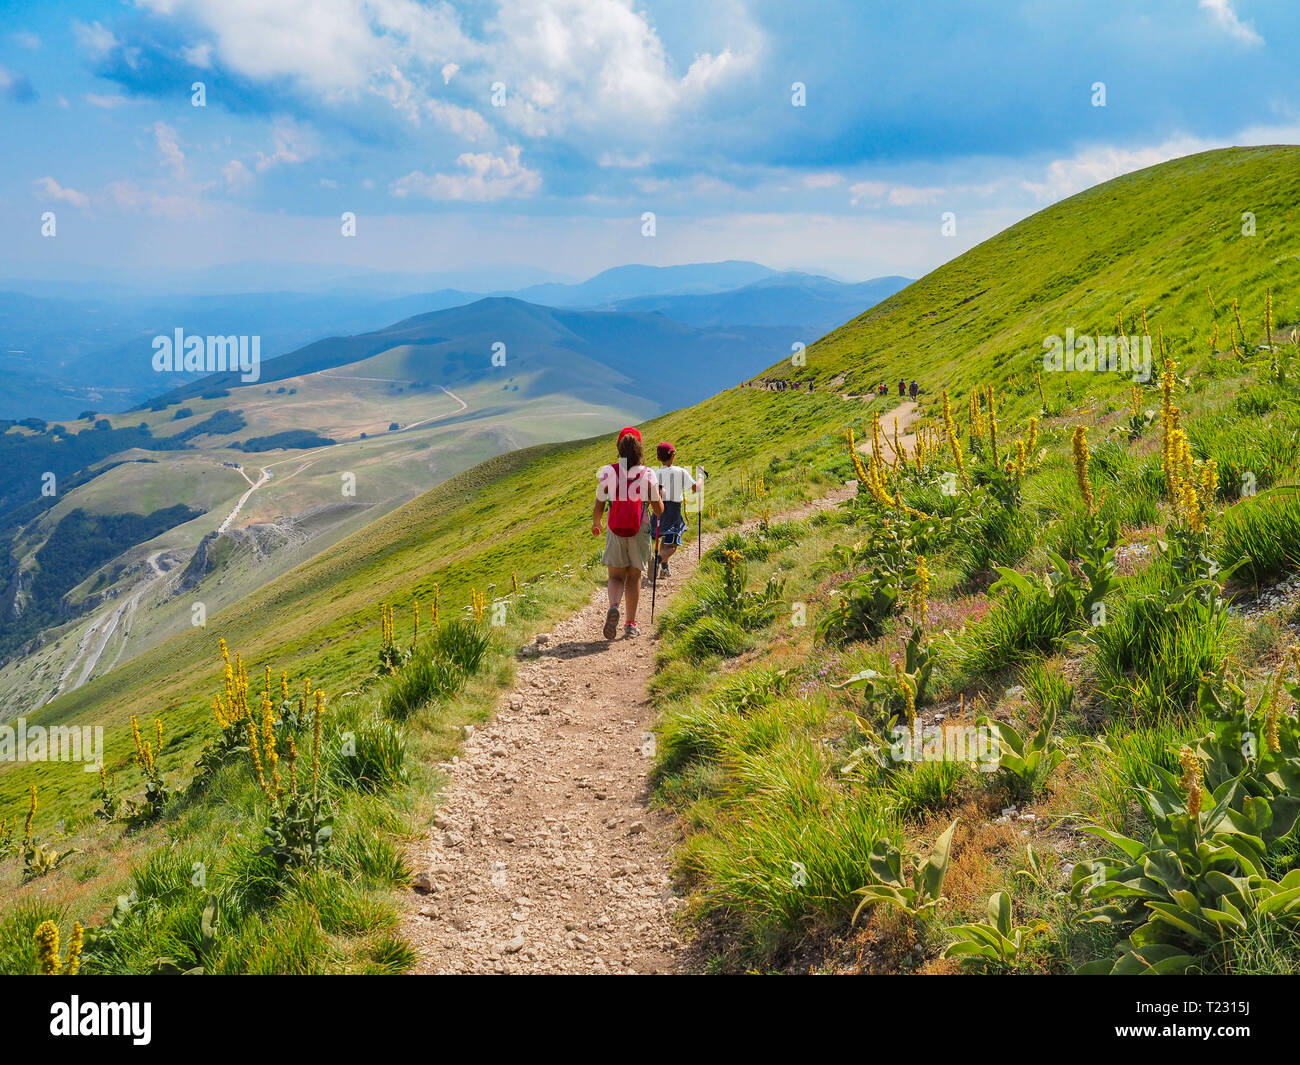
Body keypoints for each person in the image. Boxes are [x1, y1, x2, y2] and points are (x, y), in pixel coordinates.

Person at [593, 427, 663, 639]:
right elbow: (659, 509)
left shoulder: (609, 472)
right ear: (640, 448)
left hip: (615, 529)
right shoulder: (647, 474)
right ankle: (630, 624)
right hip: (639, 530)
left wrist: (597, 523)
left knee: (615, 576)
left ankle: (614, 605)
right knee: (633, 577)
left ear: (618, 448)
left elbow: (599, 503)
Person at [650, 442, 698, 578]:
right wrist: (700, 479)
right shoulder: (680, 471)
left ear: (659, 458)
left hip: (658, 508)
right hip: (673, 510)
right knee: (672, 544)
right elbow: (695, 488)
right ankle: (658, 561)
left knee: (663, 538)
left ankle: (664, 569)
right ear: (673, 456)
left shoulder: (655, 474)